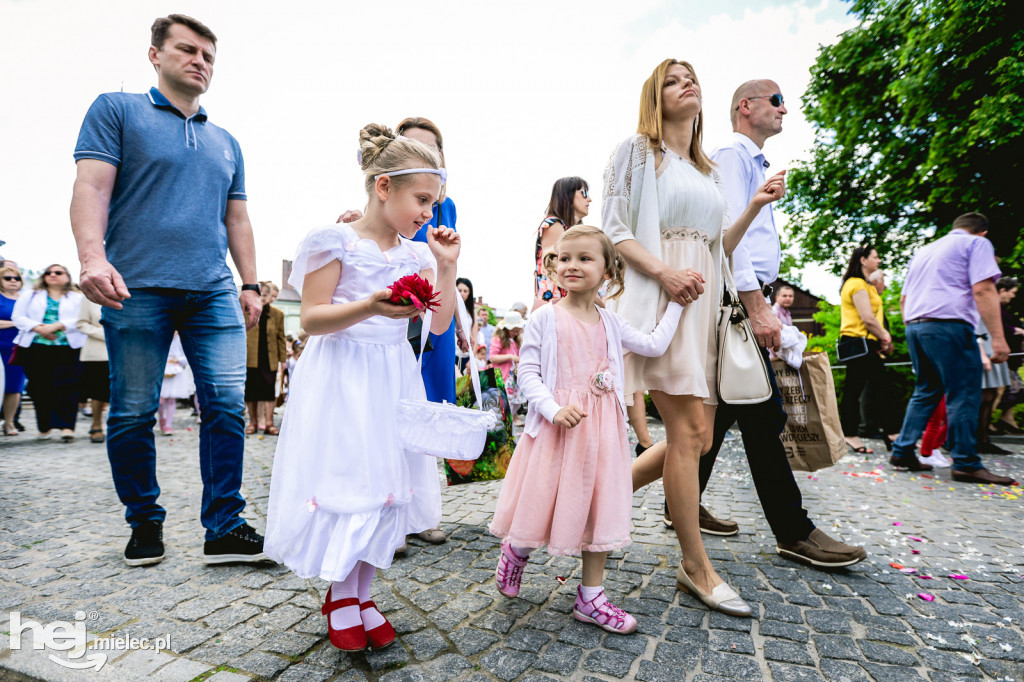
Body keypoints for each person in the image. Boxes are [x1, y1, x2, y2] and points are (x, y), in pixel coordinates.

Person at [70, 14, 266, 566]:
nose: (199, 61)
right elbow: (91, 184)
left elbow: (238, 219)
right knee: (132, 411)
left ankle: (224, 525)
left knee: (226, 407)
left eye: (208, 55)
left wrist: (249, 284)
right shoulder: (117, 109)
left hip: (212, 291)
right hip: (135, 289)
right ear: (155, 55)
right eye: (187, 50)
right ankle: (144, 524)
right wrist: (92, 257)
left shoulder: (225, 141)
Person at [602, 61, 789, 617]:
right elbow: (616, 229)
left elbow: (718, 248)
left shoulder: (708, 170)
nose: (688, 83)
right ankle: (696, 566)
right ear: (654, 97)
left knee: (699, 438)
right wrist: (663, 274)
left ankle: (599, 499)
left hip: (703, 305)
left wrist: (754, 207)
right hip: (662, 298)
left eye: (692, 77)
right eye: (672, 79)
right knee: (686, 433)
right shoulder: (637, 152)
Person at [264, 124, 458, 652]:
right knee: (349, 475)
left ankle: (362, 593)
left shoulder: (418, 255)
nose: (427, 212)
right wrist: (372, 304)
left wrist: (446, 265)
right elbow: (312, 318)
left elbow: (438, 329)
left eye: (432, 202)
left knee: (389, 483)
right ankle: (340, 594)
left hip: (393, 375)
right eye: (421, 199)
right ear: (383, 187)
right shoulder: (336, 239)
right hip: (343, 373)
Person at [490, 225, 683, 634]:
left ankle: (590, 597)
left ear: (609, 270)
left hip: (602, 433)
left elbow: (654, 344)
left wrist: (679, 305)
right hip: (558, 430)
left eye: (584, 258)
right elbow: (527, 372)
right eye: (564, 258)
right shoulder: (545, 318)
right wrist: (553, 407)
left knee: (600, 509)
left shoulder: (611, 324)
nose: (572, 265)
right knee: (540, 505)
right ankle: (516, 551)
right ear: (553, 267)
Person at [891, 212, 1017, 485]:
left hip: (916, 325)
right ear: (982, 232)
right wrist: (998, 338)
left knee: (926, 390)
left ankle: (902, 450)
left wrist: (915, 326)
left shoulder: (925, 250)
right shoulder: (977, 244)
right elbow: (983, 289)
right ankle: (966, 463)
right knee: (964, 392)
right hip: (950, 325)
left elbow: (903, 299)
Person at [12, 265, 85, 441]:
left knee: (68, 387)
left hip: (68, 348)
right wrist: (39, 328)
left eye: (58, 272)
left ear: (67, 277)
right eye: (48, 272)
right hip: (37, 347)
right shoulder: (30, 295)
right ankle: (44, 427)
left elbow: (82, 318)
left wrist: (58, 325)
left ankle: (67, 426)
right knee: (39, 387)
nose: (53, 275)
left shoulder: (78, 297)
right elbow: (18, 317)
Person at [838, 245, 895, 452]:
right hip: (857, 341)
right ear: (863, 260)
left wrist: (879, 338)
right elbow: (868, 318)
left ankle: (888, 433)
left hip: (866, 342)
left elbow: (875, 315)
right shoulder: (855, 284)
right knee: (866, 388)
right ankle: (856, 434)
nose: (878, 260)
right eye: (875, 257)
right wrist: (885, 336)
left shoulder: (866, 285)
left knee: (872, 388)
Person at [534, 177, 591, 310]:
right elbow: (554, 269)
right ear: (568, 196)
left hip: (563, 303)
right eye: (584, 193)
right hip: (555, 303)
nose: (589, 199)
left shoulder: (564, 228)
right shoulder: (553, 224)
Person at [245, 282, 287, 435]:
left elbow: (281, 338)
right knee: (250, 391)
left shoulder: (278, 314)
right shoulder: (246, 311)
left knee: (269, 391)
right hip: (250, 357)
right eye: (259, 294)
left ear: (270, 297)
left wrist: (283, 360)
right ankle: (253, 423)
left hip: (269, 357)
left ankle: (269, 423)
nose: (262, 297)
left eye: (265, 295)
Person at [76, 297, 110, 443]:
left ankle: (125, 426)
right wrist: (107, 334)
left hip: (130, 347)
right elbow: (81, 323)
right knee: (98, 390)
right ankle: (96, 424)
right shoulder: (91, 296)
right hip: (98, 350)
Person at [975, 318, 1011, 455]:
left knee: (990, 394)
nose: (1013, 294)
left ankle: (982, 439)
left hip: (987, 340)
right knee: (982, 394)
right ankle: (972, 440)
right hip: (981, 341)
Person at [994, 276, 1023, 434]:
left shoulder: (1004, 309)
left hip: (1011, 357)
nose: (1013, 296)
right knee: (998, 391)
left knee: (1015, 390)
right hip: (1002, 356)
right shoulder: (994, 308)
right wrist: (1016, 330)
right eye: (1012, 292)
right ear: (1003, 290)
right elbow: (999, 326)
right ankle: (986, 425)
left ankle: (1007, 419)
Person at [0, 265, 27, 436]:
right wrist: (16, 322)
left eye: (16, 278)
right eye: (8, 278)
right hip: (0, 347)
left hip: (17, 348)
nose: (12, 281)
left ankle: (9, 422)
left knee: (14, 387)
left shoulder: (25, 299)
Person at [490, 312, 525, 423]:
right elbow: (492, 357)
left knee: (516, 401)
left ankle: (509, 423)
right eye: (514, 330)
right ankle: (503, 426)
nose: (516, 333)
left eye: (518, 330)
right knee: (505, 403)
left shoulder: (515, 340)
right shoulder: (498, 339)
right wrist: (510, 357)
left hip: (513, 376)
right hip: (503, 376)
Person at [159, 332, 195, 435]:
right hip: (162, 367)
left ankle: (168, 425)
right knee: (160, 400)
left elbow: (187, 355)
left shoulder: (180, 338)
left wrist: (177, 360)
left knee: (171, 398)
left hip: (175, 369)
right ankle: (162, 418)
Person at [456, 277, 475, 373]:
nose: (462, 293)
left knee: (464, 387)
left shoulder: (472, 312)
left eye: (465, 291)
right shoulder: (451, 309)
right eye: (459, 290)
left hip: (467, 355)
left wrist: (472, 359)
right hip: (452, 354)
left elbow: (474, 336)